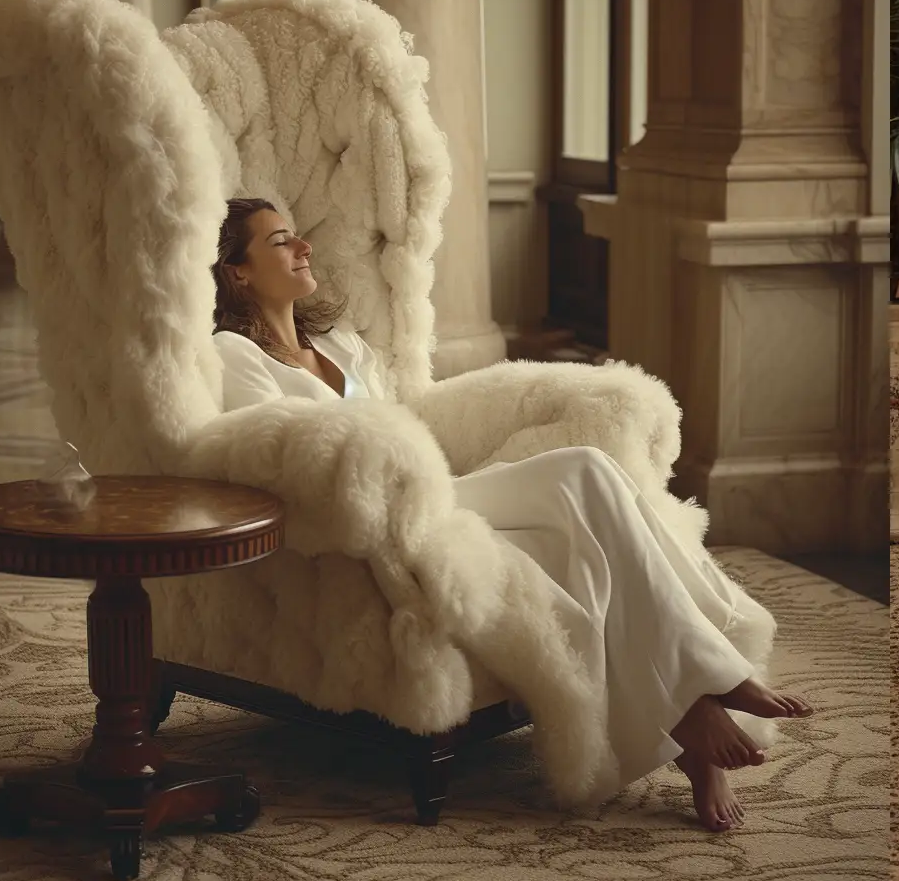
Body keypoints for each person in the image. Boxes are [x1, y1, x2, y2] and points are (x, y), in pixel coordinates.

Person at [210, 198, 811, 831]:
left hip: (434, 492)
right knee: (583, 482)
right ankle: (703, 694)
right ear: (238, 272)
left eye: (299, 237)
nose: (303, 248)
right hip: (375, 520)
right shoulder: (235, 354)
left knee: (591, 485)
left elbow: (409, 427)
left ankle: (697, 703)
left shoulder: (342, 345)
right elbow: (270, 454)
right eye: (280, 242)